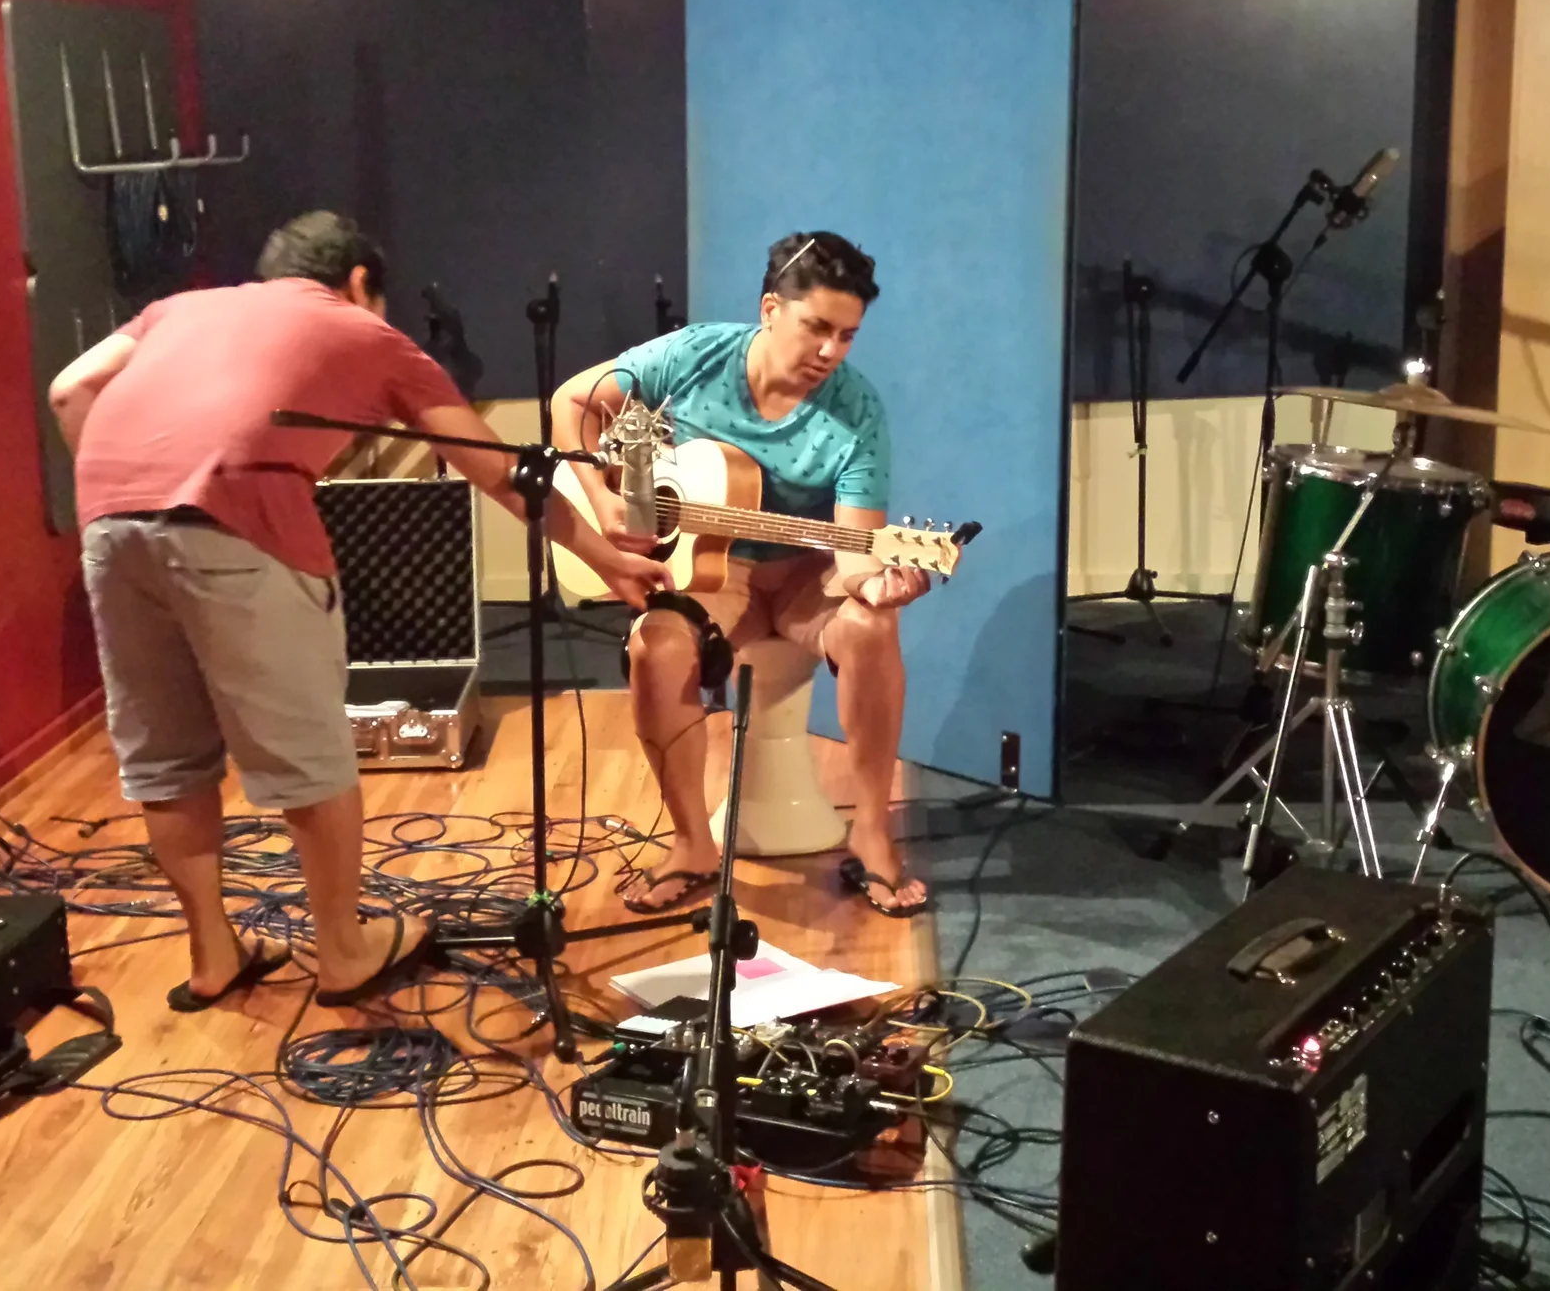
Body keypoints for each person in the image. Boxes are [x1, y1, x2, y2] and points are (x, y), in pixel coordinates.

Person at [49, 211, 668, 1011]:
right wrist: (605, 557)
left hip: (109, 525)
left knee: (165, 760)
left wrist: (124, 483)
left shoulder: (179, 309)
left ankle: (212, 956)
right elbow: (498, 471)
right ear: (360, 281)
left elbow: (70, 388)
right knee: (312, 757)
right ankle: (343, 951)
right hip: (237, 522)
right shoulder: (365, 332)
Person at [552, 231, 931, 918]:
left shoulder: (858, 412)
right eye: (816, 327)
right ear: (769, 309)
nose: (830, 351)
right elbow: (571, 403)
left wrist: (878, 581)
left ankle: (872, 834)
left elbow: (854, 553)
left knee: (874, 624)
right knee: (653, 647)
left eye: (847, 336)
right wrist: (605, 503)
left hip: (805, 576)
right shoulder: (695, 356)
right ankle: (692, 845)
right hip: (710, 574)